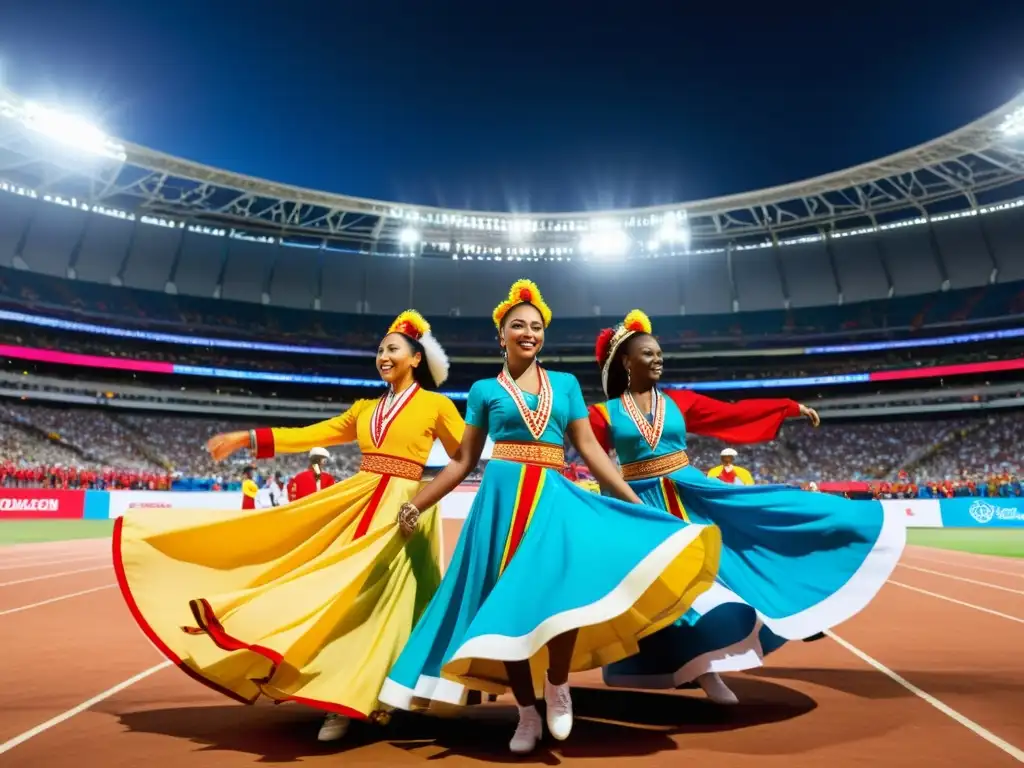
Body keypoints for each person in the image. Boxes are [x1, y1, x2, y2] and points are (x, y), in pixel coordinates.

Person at [378, 280, 722, 755]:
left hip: (552, 498)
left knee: (564, 591)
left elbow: (590, 451)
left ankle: (557, 685)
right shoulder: (482, 390)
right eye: (517, 325)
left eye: (536, 327)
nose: (528, 332)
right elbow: (462, 461)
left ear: (544, 335)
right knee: (508, 604)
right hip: (499, 504)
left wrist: (633, 501)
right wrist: (419, 502)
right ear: (501, 335)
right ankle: (525, 711)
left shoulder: (565, 385)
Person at [113, 310, 464, 743]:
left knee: (398, 605)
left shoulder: (437, 405)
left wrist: (423, 498)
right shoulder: (363, 409)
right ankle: (340, 698)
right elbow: (311, 432)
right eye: (379, 350)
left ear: (415, 358)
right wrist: (249, 439)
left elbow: (463, 458)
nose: (383, 356)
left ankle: (387, 694)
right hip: (359, 505)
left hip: (407, 514)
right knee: (345, 601)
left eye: (392, 349)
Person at [588, 309, 906, 704]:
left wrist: (786, 407)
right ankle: (697, 671)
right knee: (671, 594)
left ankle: (712, 667)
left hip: (693, 497)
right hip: (639, 506)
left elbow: (731, 413)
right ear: (625, 361)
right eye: (649, 353)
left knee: (725, 573)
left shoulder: (679, 402)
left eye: (659, 353)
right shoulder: (600, 415)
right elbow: (596, 463)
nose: (658, 359)